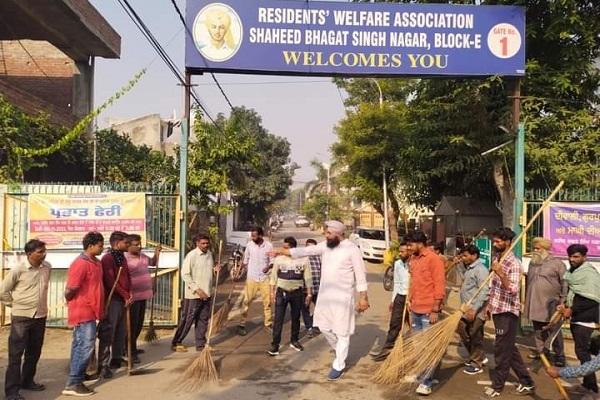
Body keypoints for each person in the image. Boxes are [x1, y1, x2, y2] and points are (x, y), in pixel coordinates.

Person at [271, 220, 369, 381]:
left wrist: (363, 297)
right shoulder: (325, 246)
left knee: (342, 332)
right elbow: (305, 251)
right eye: (325, 233)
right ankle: (340, 351)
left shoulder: (352, 249)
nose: (326, 235)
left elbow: (360, 275)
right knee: (323, 326)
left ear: (339, 233)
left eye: (328, 233)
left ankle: (339, 364)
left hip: (343, 298)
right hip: (325, 296)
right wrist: (281, 251)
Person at [484, 227, 535, 398]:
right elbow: (494, 287)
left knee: (501, 350)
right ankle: (526, 381)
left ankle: (497, 386)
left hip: (507, 313)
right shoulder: (498, 258)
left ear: (508, 242)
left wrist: (501, 273)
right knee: (509, 349)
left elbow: (512, 289)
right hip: (498, 310)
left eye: (498, 241)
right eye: (494, 240)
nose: (495, 243)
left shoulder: (514, 264)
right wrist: (489, 306)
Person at [0, 240, 51, 400]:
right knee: (15, 355)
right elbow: (3, 291)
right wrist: (14, 305)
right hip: (21, 317)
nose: (44, 254)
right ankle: (12, 392)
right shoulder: (18, 269)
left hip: (40, 316)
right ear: (29, 254)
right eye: (40, 252)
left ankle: (27, 381)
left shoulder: (47, 267)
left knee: (34, 352)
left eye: (44, 251)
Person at [62, 232, 105, 397]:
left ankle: (76, 376)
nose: (102, 248)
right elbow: (71, 289)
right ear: (90, 246)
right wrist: (74, 302)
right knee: (86, 346)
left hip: (92, 309)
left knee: (80, 345)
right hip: (82, 310)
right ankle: (73, 383)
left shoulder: (96, 263)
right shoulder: (80, 263)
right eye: (100, 245)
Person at [406, 231, 446, 396]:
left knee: (428, 347)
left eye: (410, 245)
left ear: (419, 243)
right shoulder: (414, 259)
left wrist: (436, 308)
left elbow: (439, 284)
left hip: (429, 310)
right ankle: (423, 375)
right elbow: (415, 282)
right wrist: (410, 299)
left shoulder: (433, 259)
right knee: (418, 346)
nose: (408, 248)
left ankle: (426, 382)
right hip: (415, 308)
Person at [558, 244, 600, 397]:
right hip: (578, 318)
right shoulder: (573, 273)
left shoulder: (589, 274)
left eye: (576, 256)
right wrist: (565, 305)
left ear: (584, 257)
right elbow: (575, 294)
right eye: (570, 256)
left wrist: (572, 309)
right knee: (582, 352)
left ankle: (591, 387)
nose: (572, 259)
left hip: (586, 320)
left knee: (583, 354)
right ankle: (588, 385)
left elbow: (592, 299)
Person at [171, 234, 220, 352]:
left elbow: (209, 271)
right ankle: (177, 342)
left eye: (207, 243)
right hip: (193, 295)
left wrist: (215, 270)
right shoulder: (191, 256)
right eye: (203, 243)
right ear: (197, 243)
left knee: (203, 319)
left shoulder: (209, 254)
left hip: (207, 293)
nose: (205, 245)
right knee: (188, 319)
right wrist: (197, 289)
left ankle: (200, 344)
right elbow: (185, 275)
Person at [524, 237, 567, 366]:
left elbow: (565, 282)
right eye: (534, 248)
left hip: (552, 303)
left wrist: (563, 300)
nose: (535, 251)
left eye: (538, 249)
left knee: (554, 331)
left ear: (546, 249)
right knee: (538, 330)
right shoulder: (532, 263)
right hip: (535, 302)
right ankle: (542, 353)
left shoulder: (557, 263)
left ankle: (560, 356)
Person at [268, 236, 312, 356]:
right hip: (281, 292)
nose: (283, 250)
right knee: (278, 319)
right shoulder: (279, 259)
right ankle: (275, 345)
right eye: (283, 247)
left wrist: (309, 294)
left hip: (297, 292)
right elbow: (273, 277)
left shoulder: (303, 260)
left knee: (296, 317)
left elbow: (308, 277)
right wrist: (271, 292)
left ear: (292, 249)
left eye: (286, 248)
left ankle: (294, 340)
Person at [97, 231, 131, 378]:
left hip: (124, 300)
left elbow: (126, 277)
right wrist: (124, 294)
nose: (128, 245)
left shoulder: (122, 257)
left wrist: (130, 294)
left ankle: (116, 358)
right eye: (126, 243)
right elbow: (111, 281)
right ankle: (103, 365)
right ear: (117, 243)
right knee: (108, 333)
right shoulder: (107, 258)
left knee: (121, 331)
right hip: (112, 300)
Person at [371, 242, 411, 361]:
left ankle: (409, 352)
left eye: (402, 251)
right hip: (400, 296)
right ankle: (386, 352)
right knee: (395, 324)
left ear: (409, 252)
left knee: (412, 326)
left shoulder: (414, 264)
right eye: (399, 251)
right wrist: (393, 300)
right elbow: (397, 283)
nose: (400, 253)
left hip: (412, 298)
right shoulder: (398, 264)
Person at [124, 234, 161, 363]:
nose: (139, 247)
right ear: (128, 245)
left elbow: (153, 263)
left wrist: (156, 253)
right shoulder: (125, 259)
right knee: (132, 326)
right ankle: (130, 352)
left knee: (139, 324)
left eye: (140, 244)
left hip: (143, 295)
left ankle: (131, 347)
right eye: (136, 244)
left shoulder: (143, 256)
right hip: (132, 297)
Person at [457, 245, 490, 375]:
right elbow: (465, 281)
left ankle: (477, 363)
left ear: (474, 255)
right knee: (462, 329)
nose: (463, 258)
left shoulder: (481, 270)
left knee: (475, 335)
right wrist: (457, 265)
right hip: (465, 309)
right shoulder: (469, 269)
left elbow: (485, 291)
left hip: (476, 310)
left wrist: (475, 309)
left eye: (465, 256)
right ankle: (478, 356)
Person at [237, 227, 273, 336]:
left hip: (264, 278)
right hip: (251, 277)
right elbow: (245, 260)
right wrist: (238, 272)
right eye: (251, 236)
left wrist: (268, 267)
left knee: (267, 302)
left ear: (261, 235)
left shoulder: (269, 246)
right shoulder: (249, 245)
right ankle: (242, 324)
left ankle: (268, 323)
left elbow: (272, 261)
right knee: (246, 301)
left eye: (254, 236)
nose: (252, 238)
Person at [300, 238, 321, 337]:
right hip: (305, 289)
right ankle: (309, 328)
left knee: (320, 308)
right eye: (308, 247)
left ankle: (315, 325)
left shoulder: (319, 257)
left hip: (318, 288)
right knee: (305, 309)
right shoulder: (302, 258)